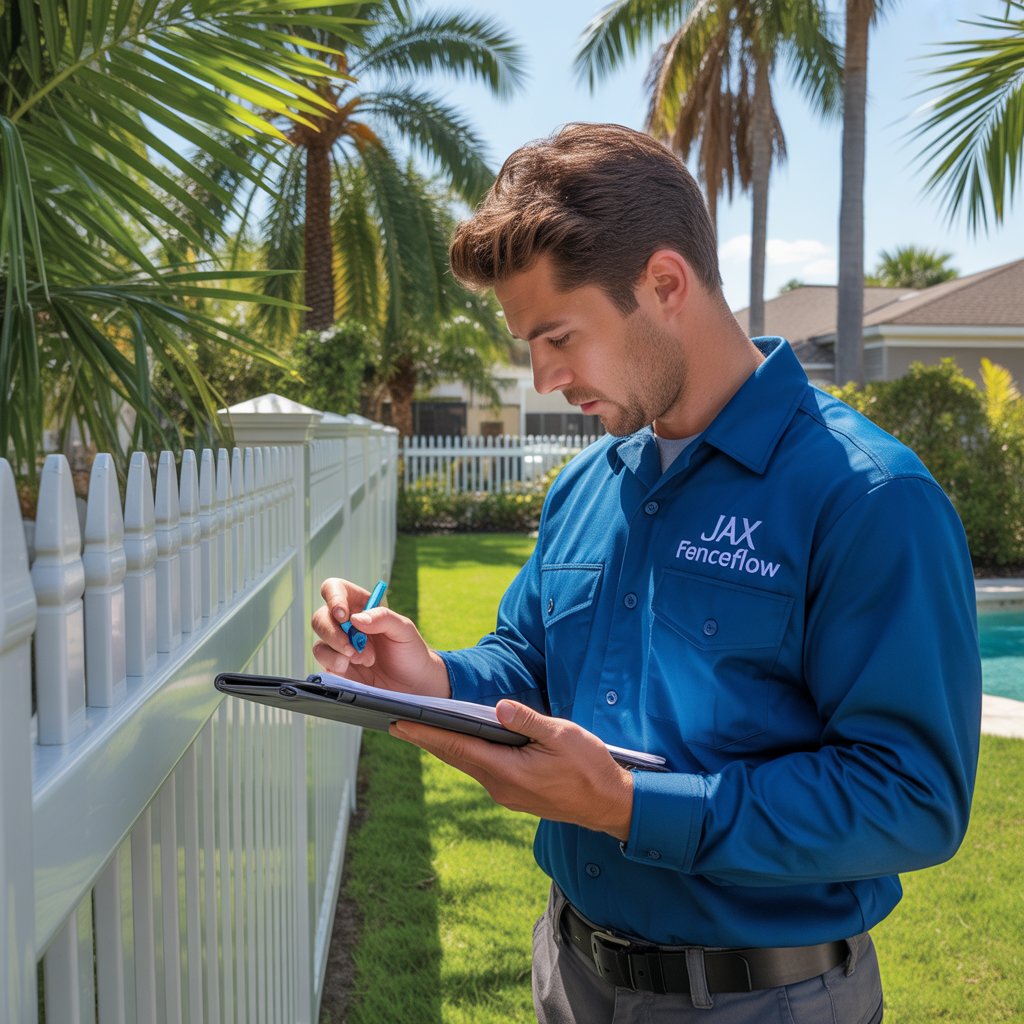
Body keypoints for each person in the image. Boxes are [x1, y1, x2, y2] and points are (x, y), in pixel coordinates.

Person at [311, 123, 982, 1023]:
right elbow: (532, 656)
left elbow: (913, 797)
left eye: (559, 336)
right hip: (572, 972)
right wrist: (432, 676)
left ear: (665, 284)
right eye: (528, 346)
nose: (545, 378)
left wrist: (632, 806)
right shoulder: (591, 481)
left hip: (765, 1000)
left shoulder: (866, 497)